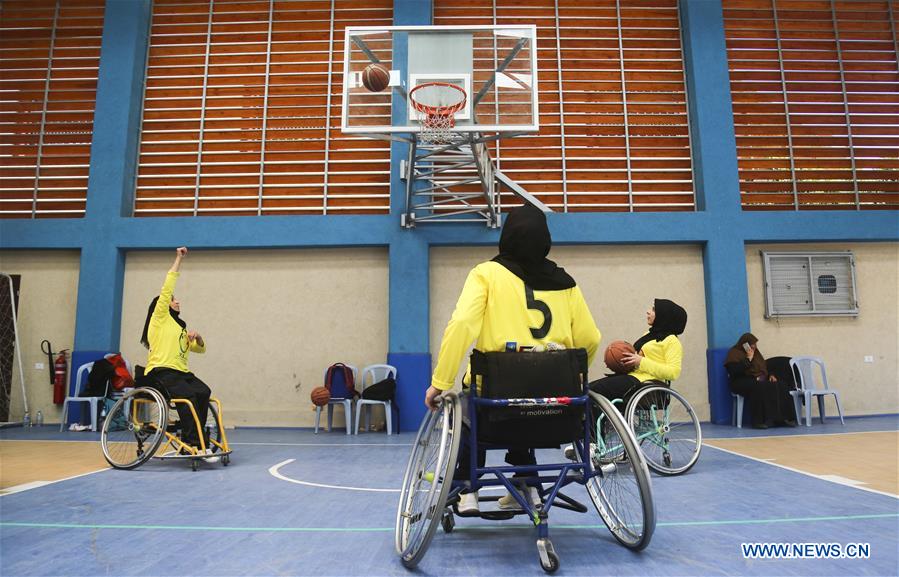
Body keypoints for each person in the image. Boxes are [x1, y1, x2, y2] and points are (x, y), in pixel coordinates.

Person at [425, 204, 602, 514]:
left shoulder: (486, 274)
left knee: (471, 406)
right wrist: (571, 376)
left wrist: (439, 382)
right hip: (555, 402)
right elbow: (591, 339)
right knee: (529, 398)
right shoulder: (567, 282)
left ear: (506, 237)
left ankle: (467, 487)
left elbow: (463, 324)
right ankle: (528, 480)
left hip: (497, 398)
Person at [140, 247, 219, 461]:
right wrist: (178, 258)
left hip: (181, 373)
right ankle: (194, 442)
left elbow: (198, 350)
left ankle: (195, 439)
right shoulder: (159, 320)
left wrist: (199, 339)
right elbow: (168, 285)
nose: (177, 301)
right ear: (163, 306)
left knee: (203, 391)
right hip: (162, 372)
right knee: (189, 397)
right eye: (173, 300)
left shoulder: (179, 328)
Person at [589, 298, 688, 402]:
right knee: (589, 388)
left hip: (647, 384)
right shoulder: (649, 335)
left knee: (595, 390)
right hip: (634, 378)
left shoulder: (672, 341)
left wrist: (641, 361)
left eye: (654, 310)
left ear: (664, 316)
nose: (648, 311)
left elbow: (673, 372)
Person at [725, 333, 797, 429]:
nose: (754, 346)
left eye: (755, 344)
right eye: (751, 344)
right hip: (740, 381)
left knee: (781, 385)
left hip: (758, 379)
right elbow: (734, 371)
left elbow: (764, 367)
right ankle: (758, 421)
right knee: (758, 387)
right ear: (744, 344)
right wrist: (748, 359)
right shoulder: (734, 353)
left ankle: (782, 419)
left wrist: (771, 375)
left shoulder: (756, 353)